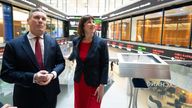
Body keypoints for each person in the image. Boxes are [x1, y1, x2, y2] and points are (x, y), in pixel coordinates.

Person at [0, 8, 65, 108]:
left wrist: (52, 75)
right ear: (28, 21)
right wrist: (33, 77)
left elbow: (61, 63)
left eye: (43, 19)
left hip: (50, 95)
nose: (40, 20)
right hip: (25, 97)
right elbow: (6, 74)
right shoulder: (13, 45)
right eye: (36, 17)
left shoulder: (52, 42)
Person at [68, 15, 109, 108]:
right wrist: (68, 57)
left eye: (93, 22)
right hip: (79, 81)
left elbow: (105, 64)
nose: (93, 24)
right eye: (89, 22)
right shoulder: (76, 41)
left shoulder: (101, 43)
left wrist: (102, 85)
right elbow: (75, 54)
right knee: (79, 105)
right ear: (83, 26)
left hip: (94, 83)